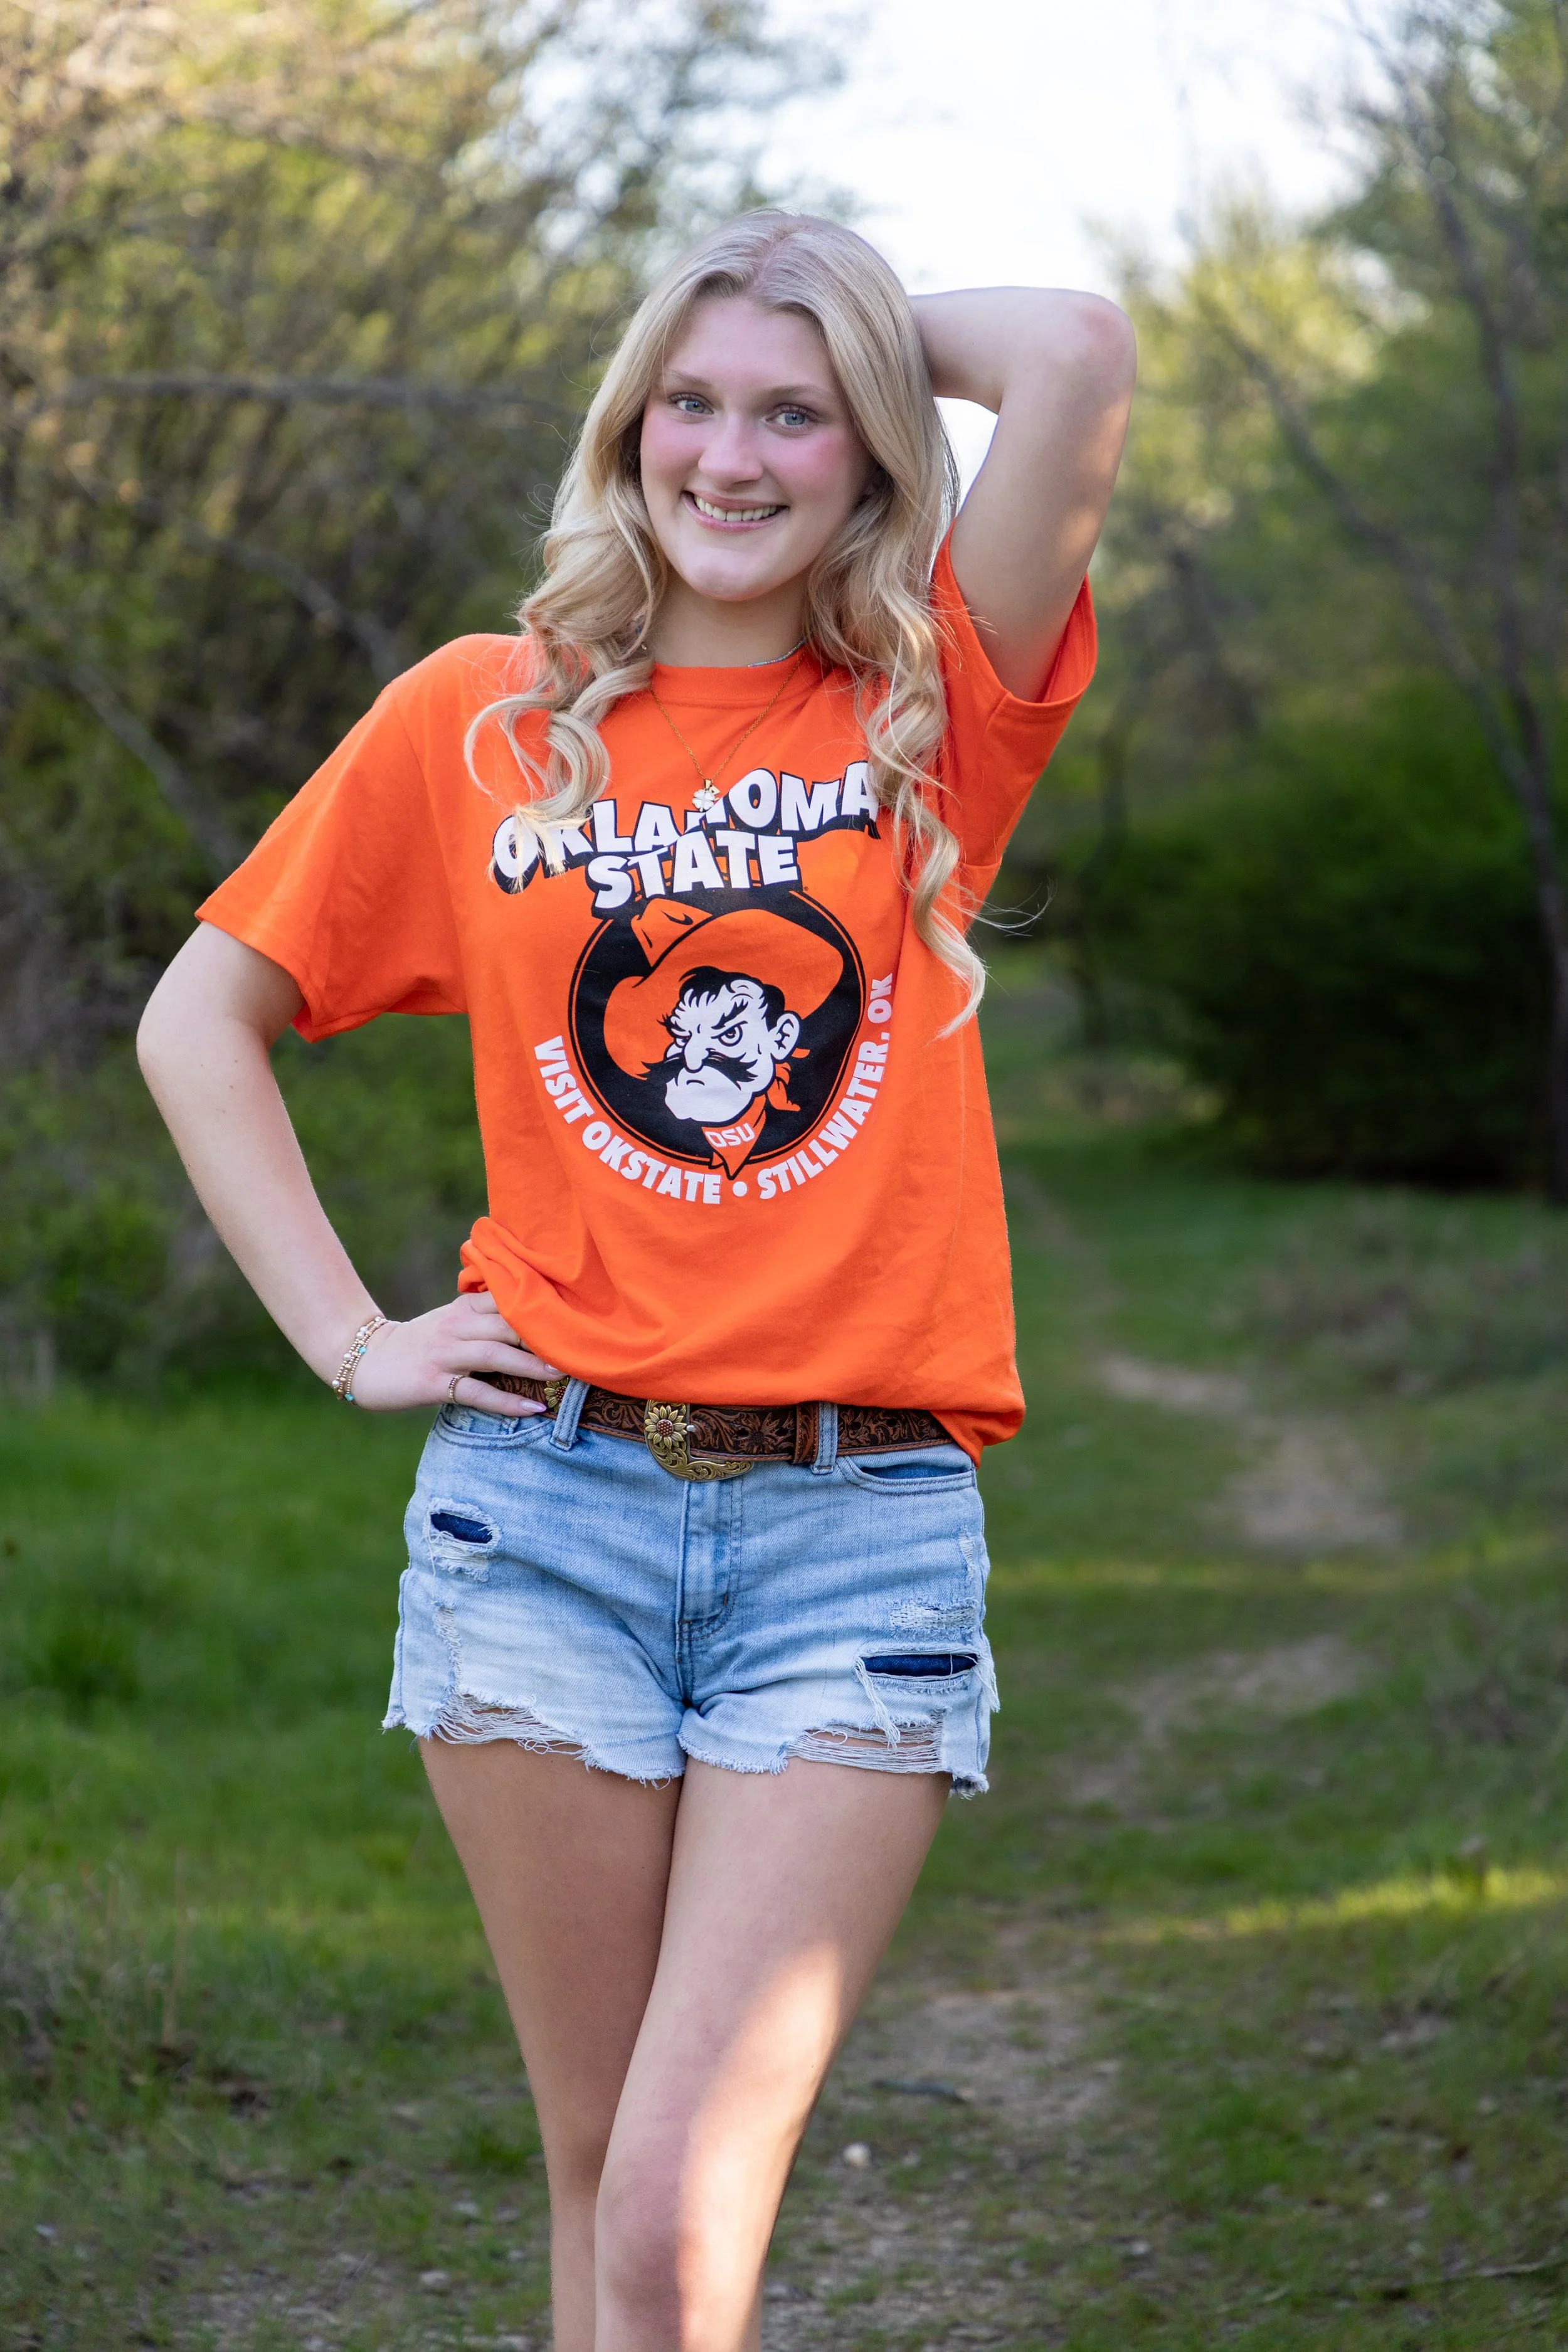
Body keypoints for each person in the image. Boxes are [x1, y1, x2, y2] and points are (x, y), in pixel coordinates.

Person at [137, 209, 1135, 2351]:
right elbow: (192, 1018)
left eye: (800, 413)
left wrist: (815, 286)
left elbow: (1070, 343)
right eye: (689, 398)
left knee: (682, 2201)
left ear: (876, 453)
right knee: (599, 2171)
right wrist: (351, 1334)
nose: (733, 453)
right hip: (543, 1516)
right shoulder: (480, 719)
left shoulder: (924, 707)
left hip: (855, 1537)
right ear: (627, 426)